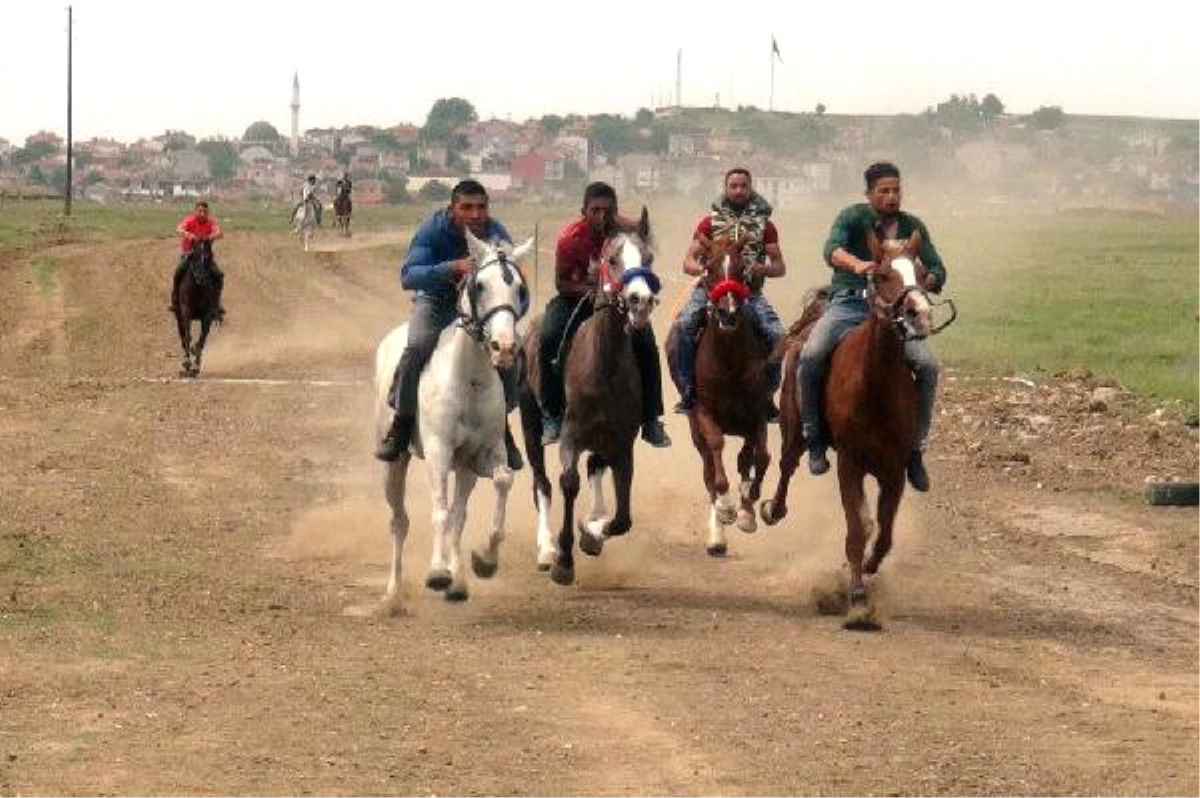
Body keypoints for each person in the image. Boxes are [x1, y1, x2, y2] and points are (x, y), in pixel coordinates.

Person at [797, 161, 947, 491]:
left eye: (896, 190)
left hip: (895, 312)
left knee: (928, 365)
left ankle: (915, 450)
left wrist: (925, 279)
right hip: (850, 303)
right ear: (869, 194)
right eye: (884, 191)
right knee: (810, 356)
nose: (892, 196)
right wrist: (859, 263)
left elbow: (937, 267)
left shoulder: (913, 227)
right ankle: (815, 438)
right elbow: (831, 250)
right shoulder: (853, 218)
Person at [375, 179, 524, 469]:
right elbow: (409, 275)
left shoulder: (497, 234)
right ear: (452, 208)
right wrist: (450, 268)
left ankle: (501, 429)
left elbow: (514, 285)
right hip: (436, 302)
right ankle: (402, 425)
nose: (475, 214)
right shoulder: (432, 230)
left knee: (513, 354)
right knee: (416, 347)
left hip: (478, 310)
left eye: (481, 207)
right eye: (466, 207)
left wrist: (508, 316)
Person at [538, 182, 671, 448]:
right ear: (584, 210)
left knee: (646, 344)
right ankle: (552, 414)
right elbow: (561, 283)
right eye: (594, 210)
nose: (600, 217)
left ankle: (651, 419)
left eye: (607, 211)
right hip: (576, 298)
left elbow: (643, 259)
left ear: (615, 212)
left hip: (619, 302)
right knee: (549, 335)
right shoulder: (570, 239)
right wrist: (595, 290)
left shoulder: (627, 231)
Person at [671, 167, 787, 419]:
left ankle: (767, 394)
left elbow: (780, 268)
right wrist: (702, 269)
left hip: (748, 292)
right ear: (725, 188)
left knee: (778, 335)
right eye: (733, 186)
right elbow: (688, 261)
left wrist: (761, 268)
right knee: (684, 325)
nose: (738, 190)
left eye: (743, 186)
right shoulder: (708, 223)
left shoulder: (766, 226)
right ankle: (689, 390)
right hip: (709, 291)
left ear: (750, 188)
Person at [171, 199, 225, 319]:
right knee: (178, 273)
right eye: (200, 211)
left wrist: (211, 236)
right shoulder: (189, 220)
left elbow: (220, 233)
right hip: (188, 255)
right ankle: (175, 301)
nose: (202, 214)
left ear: (208, 212)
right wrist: (188, 235)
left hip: (205, 257)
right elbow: (178, 228)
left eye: (205, 211)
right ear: (196, 211)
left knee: (219, 275)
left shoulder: (211, 222)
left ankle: (216, 304)